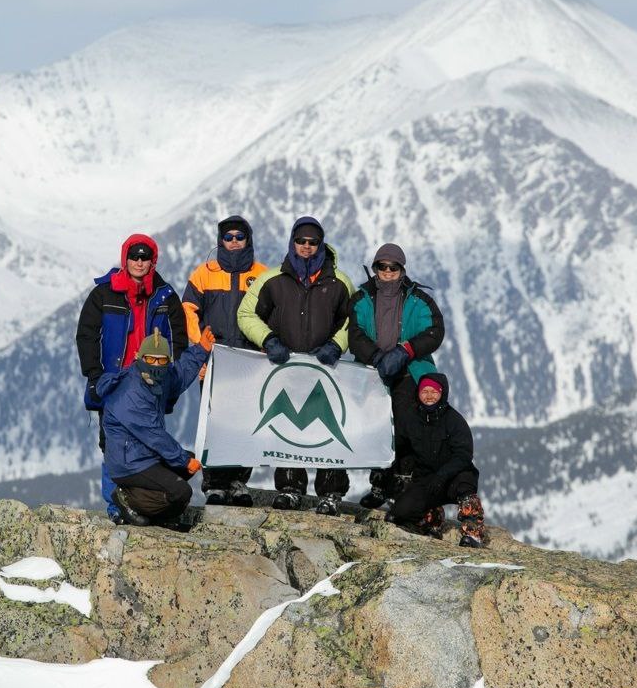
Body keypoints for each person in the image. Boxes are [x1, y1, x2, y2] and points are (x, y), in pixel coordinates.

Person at [237, 215, 355, 515]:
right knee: (287, 428)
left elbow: (355, 321)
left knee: (328, 428)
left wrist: (336, 345)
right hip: (284, 368)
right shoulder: (273, 279)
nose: (306, 247)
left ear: (321, 245)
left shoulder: (339, 282)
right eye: (300, 241)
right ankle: (290, 487)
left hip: (325, 369)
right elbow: (246, 313)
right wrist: (268, 340)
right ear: (292, 243)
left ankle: (330, 492)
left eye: (312, 242)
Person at [76, 234, 188, 522]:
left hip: (151, 382)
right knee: (111, 444)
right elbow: (86, 335)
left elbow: (180, 341)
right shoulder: (104, 294)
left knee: (150, 441)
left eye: (144, 257)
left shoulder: (165, 295)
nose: (139, 262)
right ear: (125, 259)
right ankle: (116, 506)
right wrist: (95, 375)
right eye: (134, 256)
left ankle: (141, 503)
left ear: (153, 260)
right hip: (114, 384)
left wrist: (172, 379)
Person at [346, 243, 445, 509]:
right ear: (375, 268)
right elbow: (354, 334)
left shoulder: (419, 299)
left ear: (402, 269)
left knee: (405, 429)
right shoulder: (361, 298)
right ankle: (379, 486)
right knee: (378, 428)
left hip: (409, 373)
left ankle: (402, 487)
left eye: (393, 267)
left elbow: (435, 332)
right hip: (374, 372)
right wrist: (377, 357)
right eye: (382, 266)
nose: (387, 272)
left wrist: (406, 351)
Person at [182, 215, 268, 507]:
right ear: (220, 241)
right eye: (228, 237)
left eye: (239, 237)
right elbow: (188, 311)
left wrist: (265, 344)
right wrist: (200, 347)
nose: (233, 242)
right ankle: (214, 484)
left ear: (248, 240)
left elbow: (272, 314)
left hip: (248, 360)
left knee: (245, 421)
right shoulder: (204, 273)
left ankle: (238, 480)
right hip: (214, 359)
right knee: (214, 419)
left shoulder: (262, 274)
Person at [96, 328, 215, 526]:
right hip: (128, 462)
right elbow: (154, 435)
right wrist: (183, 460)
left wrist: (201, 349)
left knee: (187, 468)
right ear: (139, 357)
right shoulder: (131, 392)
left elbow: (179, 375)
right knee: (181, 492)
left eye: (161, 360)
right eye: (151, 359)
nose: (156, 365)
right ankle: (128, 499)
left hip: (144, 454)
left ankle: (149, 507)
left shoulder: (160, 376)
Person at [386, 373, 486, 548]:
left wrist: (443, 475)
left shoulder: (454, 420)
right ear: (418, 393)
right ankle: (433, 519)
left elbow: (464, 455)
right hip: (427, 478)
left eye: (434, 391)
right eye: (425, 391)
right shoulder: (411, 419)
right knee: (400, 512)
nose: (429, 396)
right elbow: (399, 447)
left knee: (466, 486)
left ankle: (472, 533)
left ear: (442, 393)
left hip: (455, 476)